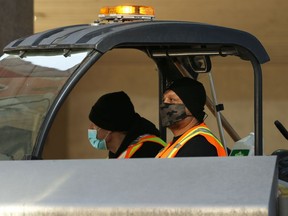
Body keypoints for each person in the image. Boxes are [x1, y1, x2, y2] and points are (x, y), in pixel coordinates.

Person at [156, 77, 227, 158]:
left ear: (191, 108)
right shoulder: (178, 144)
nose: (165, 104)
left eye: (172, 100)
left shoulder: (200, 145)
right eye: (163, 100)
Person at [88, 91, 167, 158]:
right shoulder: (116, 154)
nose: (90, 129)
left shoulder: (148, 151)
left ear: (108, 129)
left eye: (94, 126)